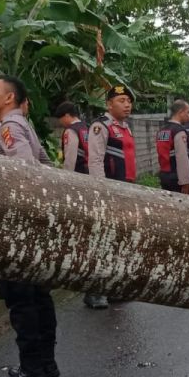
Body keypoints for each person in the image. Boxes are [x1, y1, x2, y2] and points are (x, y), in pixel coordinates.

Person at [0, 76, 59, 377]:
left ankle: (31, 372)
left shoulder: (9, 128)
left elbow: (25, 173)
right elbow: (45, 165)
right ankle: (45, 365)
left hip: (18, 229)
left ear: (9, 97)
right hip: (34, 227)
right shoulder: (23, 125)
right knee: (38, 296)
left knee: (22, 300)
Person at [85, 84, 137, 309]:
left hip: (125, 190)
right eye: (122, 100)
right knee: (103, 241)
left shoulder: (125, 127)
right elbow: (95, 160)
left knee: (119, 241)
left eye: (129, 101)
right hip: (109, 192)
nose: (127, 105)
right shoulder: (101, 126)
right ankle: (94, 291)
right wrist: (102, 192)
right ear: (109, 104)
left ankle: (114, 287)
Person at [156, 99, 189, 194]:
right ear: (180, 112)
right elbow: (182, 157)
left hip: (164, 175)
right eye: (187, 112)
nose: (188, 115)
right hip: (176, 177)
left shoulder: (162, 130)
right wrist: (185, 181)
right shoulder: (178, 131)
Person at [54, 101, 88, 174]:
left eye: (60, 118)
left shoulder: (71, 131)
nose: (60, 122)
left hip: (77, 172)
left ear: (67, 115)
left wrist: (66, 176)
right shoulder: (85, 127)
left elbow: (70, 158)